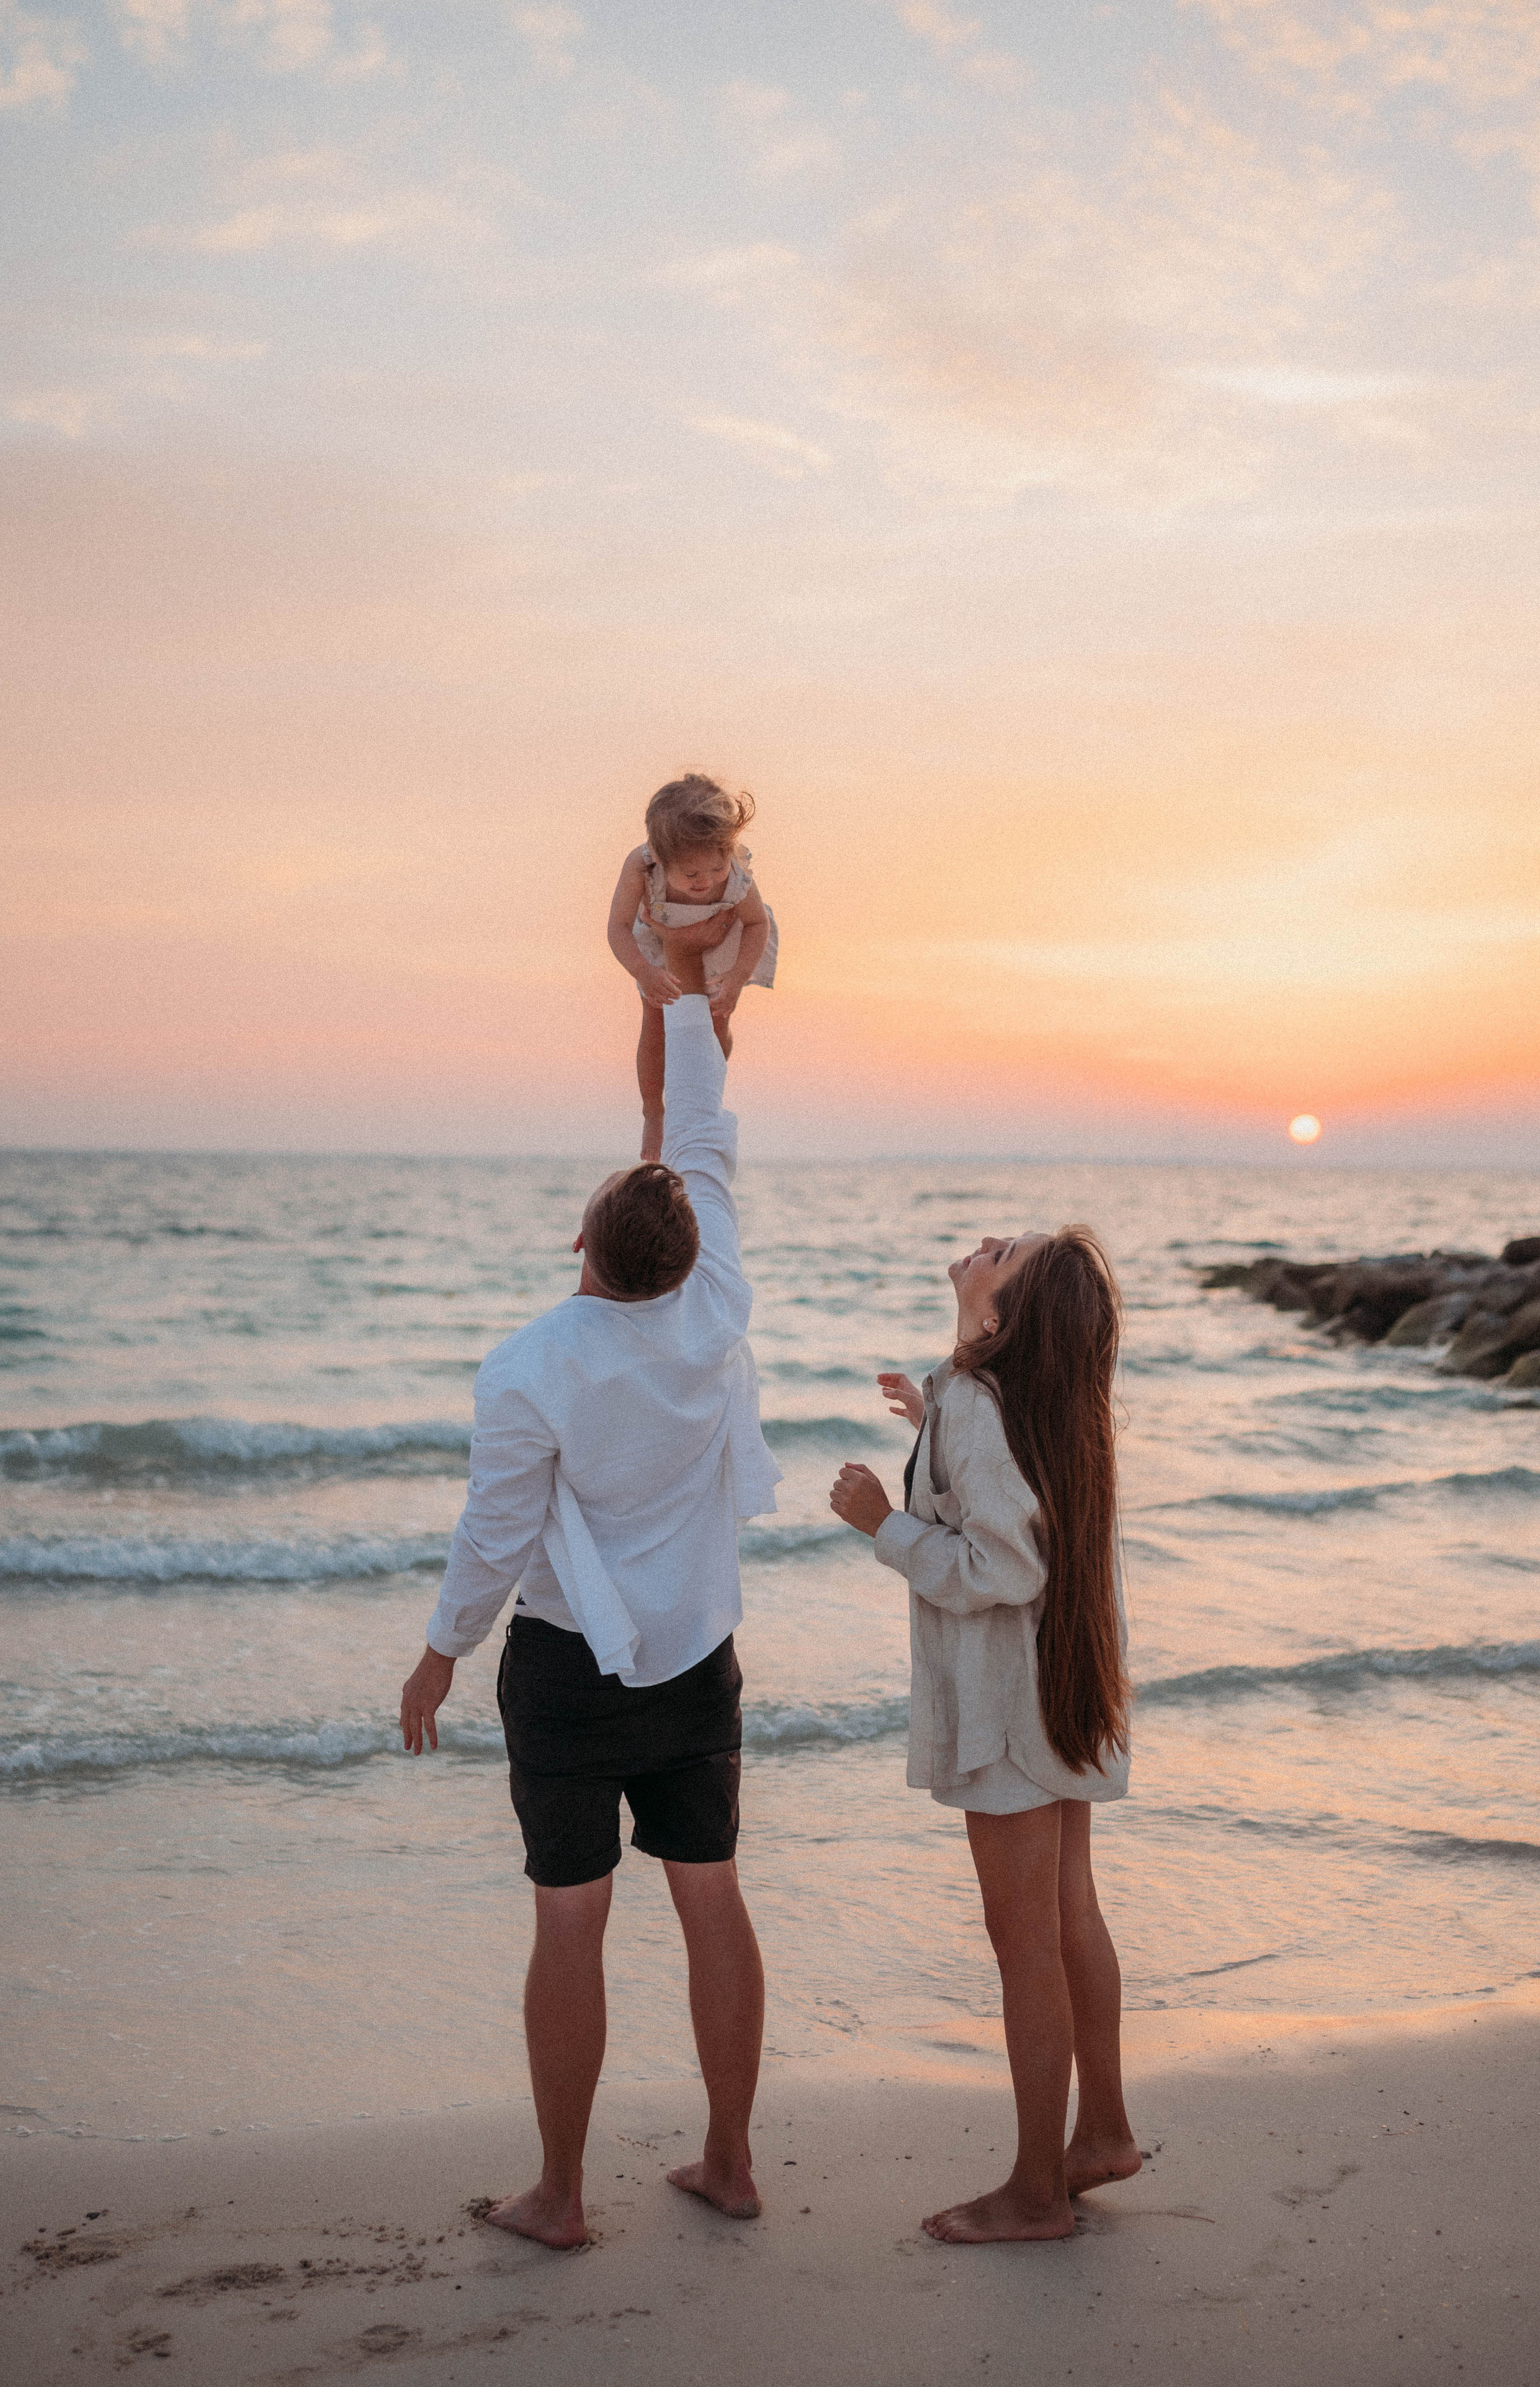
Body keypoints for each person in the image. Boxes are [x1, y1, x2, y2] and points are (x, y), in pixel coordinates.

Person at [399, 934, 781, 2250]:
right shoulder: (714, 1304)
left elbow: (494, 1535)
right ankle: (728, 2161)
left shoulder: (528, 1364)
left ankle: (560, 2196)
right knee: (710, 1893)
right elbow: (704, 1135)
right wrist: (677, 999)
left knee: (572, 1920)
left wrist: (440, 1653)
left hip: (567, 1673)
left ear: (582, 1241)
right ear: (683, 1254)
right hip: (695, 1662)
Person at [830, 1229, 1139, 2246]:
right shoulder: (1027, 1400)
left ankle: (1037, 2192)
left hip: (1010, 1708)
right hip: (1065, 1689)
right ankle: (1100, 2132)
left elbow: (1002, 1564)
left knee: (1025, 1945)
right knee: (1070, 1912)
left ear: (1006, 1318)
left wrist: (884, 1520)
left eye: (1010, 1253)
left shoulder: (980, 1401)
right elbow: (1013, 1496)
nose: (989, 1241)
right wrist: (935, 1423)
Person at [606, 773, 777, 1160]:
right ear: (660, 858)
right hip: (658, 947)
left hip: (724, 949)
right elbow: (617, 927)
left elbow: (757, 923)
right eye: (690, 874)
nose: (706, 881)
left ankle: (705, 1093)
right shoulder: (641, 865)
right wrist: (643, 972)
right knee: (655, 1025)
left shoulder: (734, 871)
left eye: (715, 871)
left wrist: (736, 980)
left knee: (715, 1022)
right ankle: (654, 1110)